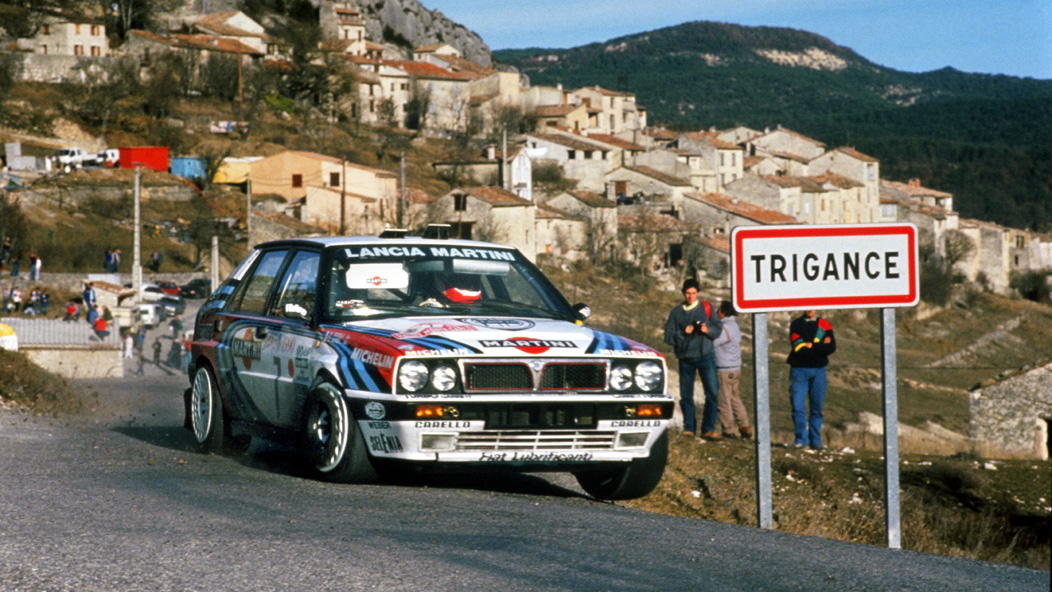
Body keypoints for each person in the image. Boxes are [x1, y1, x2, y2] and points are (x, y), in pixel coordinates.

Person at [663, 278, 722, 438]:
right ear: (683, 293)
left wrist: (707, 330)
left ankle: (708, 428)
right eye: (688, 293)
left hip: (705, 356)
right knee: (686, 395)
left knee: (712, 393)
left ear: (698, 293)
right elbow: (668, 337)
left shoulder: (707, 308)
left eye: (694, 293)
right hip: (686, 358)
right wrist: (683, 333)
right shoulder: (676, 312)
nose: (691, 296)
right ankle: (689, 427)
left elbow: (718, 328)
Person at [786, 310, 837, 450]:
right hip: (799, 369)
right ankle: (801, 440)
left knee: (817, 408)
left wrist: (811, 345)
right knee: (797, 406)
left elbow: (831, 347)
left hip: (819, 370)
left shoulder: (824, 324)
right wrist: (820, 345)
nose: (810, 309)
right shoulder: (796, 324)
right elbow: (798, 347)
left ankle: (816, 441)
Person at [713, 301, 752, 439]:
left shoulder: (725, 328)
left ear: (723, 312)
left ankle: (728, 430)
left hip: (724, 368)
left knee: (724, 400)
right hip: (735, 368)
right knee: (735, 398)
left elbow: (714, 342)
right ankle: (744, 427)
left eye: (718, 310)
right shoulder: (734, 325)